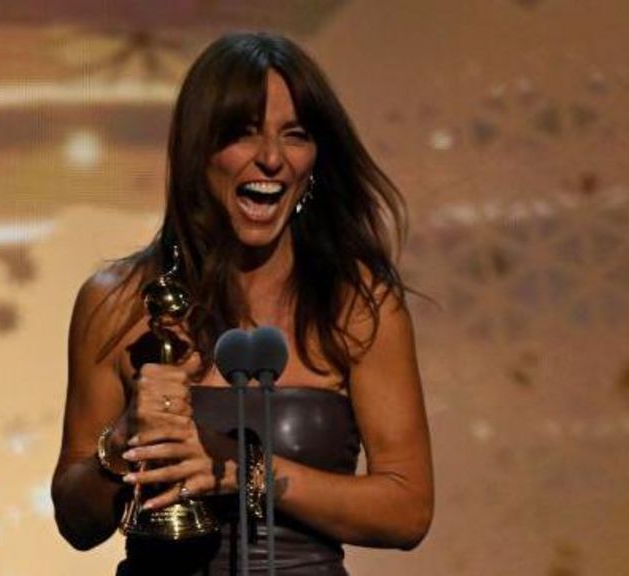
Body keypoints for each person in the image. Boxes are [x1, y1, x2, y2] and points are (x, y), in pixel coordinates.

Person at [51, 32, 434, 575]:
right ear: (197, 151)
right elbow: (76, 523)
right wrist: (124, 442)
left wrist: (239, 469)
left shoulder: (358, 305)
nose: (272, 158)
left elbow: (407, 510)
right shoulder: (116, 302)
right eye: (243, 134)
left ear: (315, 161)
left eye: (295, 135)